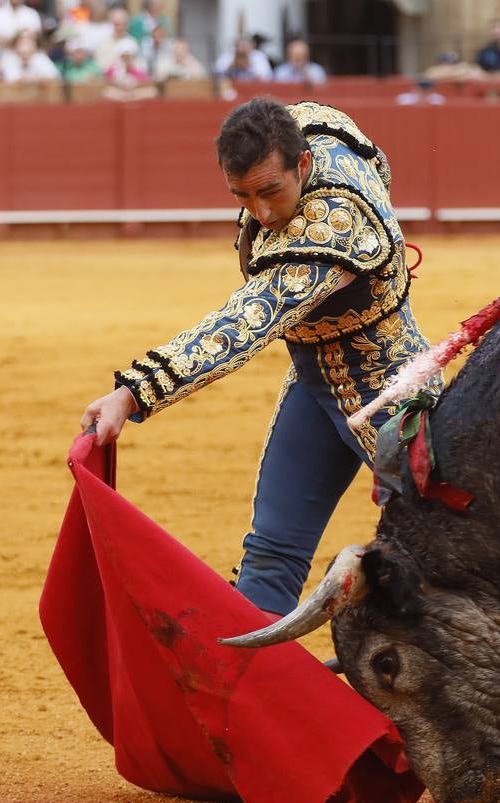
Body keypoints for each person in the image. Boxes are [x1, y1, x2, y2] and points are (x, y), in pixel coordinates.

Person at [80, 99, 440, 618]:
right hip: (315, 386)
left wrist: (133, 391)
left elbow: (246, 322)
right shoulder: (314, 120)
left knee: (441, 563)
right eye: (243, 196)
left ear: (304, 165)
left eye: (271, 191)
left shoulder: (335, 225)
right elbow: (379, 163)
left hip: (392, 399)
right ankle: (247, 696)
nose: (262, 213)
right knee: (271, 555)